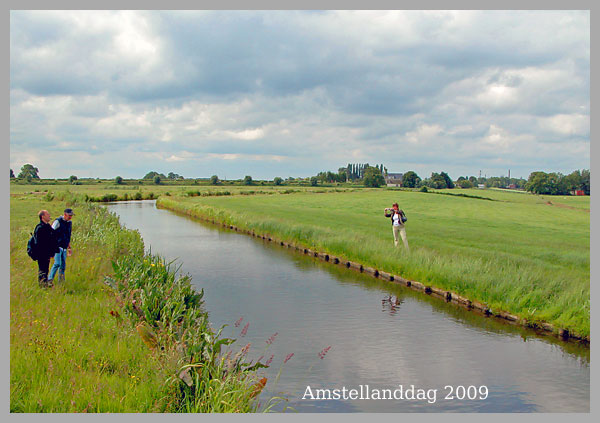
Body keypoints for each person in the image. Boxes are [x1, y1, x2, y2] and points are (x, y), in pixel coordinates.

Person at [34, 210, 59, 288]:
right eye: (47, 214)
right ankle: (42, 285)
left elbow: (53, 237)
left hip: (47, 253)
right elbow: (39, 242)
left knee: (46, 269)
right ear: (43, 217)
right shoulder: (39, 228)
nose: (49, 215)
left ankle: (45, 284)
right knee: (42, 270)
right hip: (42, 253)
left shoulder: (47, 226)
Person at [48, 208, 74, 283]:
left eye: (71, 216)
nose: (70, 217)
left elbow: (68, 235)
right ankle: (50, 279)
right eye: (69, 215)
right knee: (57, 263)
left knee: (63, 266)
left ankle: (61, 281)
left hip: (64, 247)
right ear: (65, 214)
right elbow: (51, 233)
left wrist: (69, 247)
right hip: (57, 246)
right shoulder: (58, 221)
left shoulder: (69, 223)